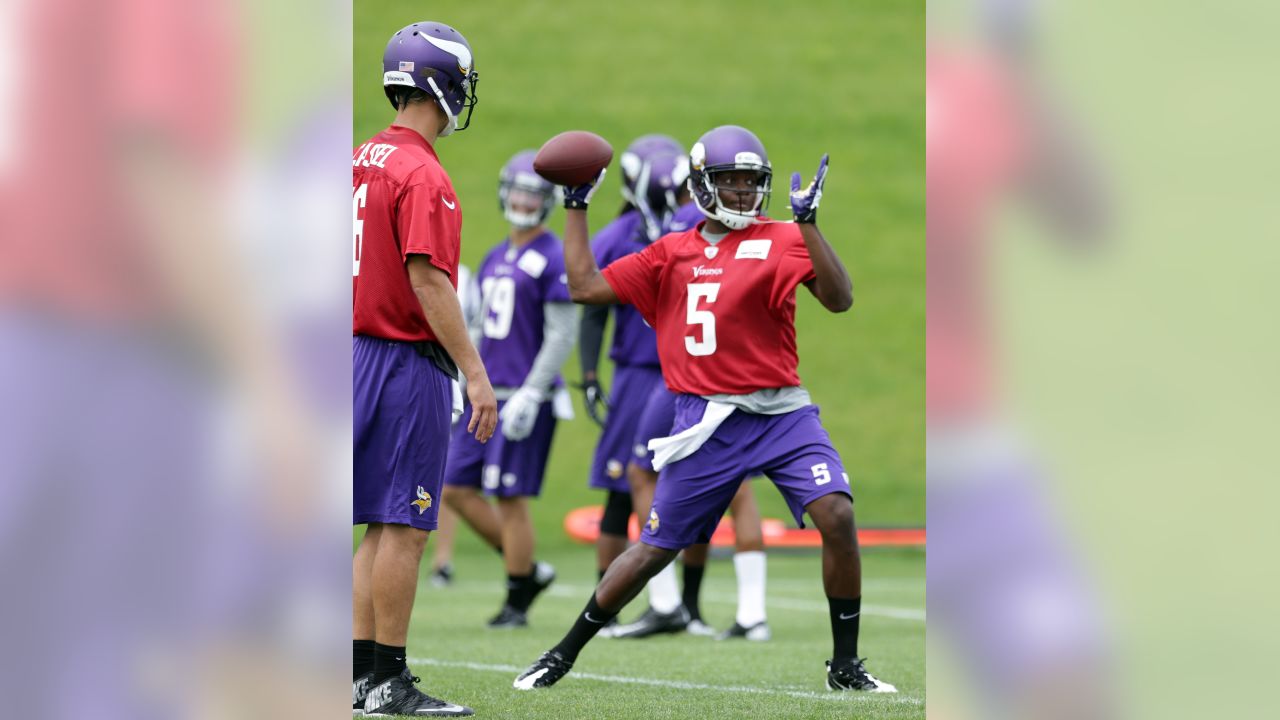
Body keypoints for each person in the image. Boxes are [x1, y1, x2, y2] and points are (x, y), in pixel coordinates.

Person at [514, 125, 895, 692]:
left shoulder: (784, 236)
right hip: (707, 420)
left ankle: (845, 666)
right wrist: (575, 204)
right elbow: (585, 286)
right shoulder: (670, 252)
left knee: (836, 515)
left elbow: (840, 300)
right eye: (730, 182)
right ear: (700, 186)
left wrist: (811, 225)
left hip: (780, 413)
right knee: (654, 550)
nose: (743, 193)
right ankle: (562, 653)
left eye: (751, 183)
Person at [352, 21, 492, 717]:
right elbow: (428, 279)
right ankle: (390, 681)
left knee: (377, 527)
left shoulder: (358, 158)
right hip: (404, 359)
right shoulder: (421, 171)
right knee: (406, 525)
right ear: (444, 83)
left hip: (351, 354)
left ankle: (355, 675)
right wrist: (474, 371)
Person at [606, 186, 771, 641]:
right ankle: (749, 612)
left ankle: (667, 603)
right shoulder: (759, 237)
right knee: (737, 488)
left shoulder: (683, 231)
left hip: (694, 376)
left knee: (648, 472)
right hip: (744, 374)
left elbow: (637, 294)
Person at [442, 150, 578, 629]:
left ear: (548, 201)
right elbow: (477, 326)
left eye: (533, 194)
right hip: (487, 390)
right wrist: (463, 377)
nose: (523, 201)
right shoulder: (497, 254)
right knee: (454, 487)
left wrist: (532, 392)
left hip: (523, 395)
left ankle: (516, 599)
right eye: (518, 191)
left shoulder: (553, 255)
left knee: (509, 496)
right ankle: (528, 569)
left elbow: (562, 333)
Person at [577, 135, 685, 626]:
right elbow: (592, 307)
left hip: (688, 372)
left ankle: (686, 604)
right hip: (639, 372)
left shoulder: (692, 229)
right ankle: (613, 607)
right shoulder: (622, 234)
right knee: (622, 486)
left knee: (689, 486)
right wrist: (589, 372)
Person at [430, 263, 483, 588]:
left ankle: (442, 560)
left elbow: (476, 328)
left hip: (455, 385)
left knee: (445, 474)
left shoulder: (463, 275)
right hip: (415, 374)